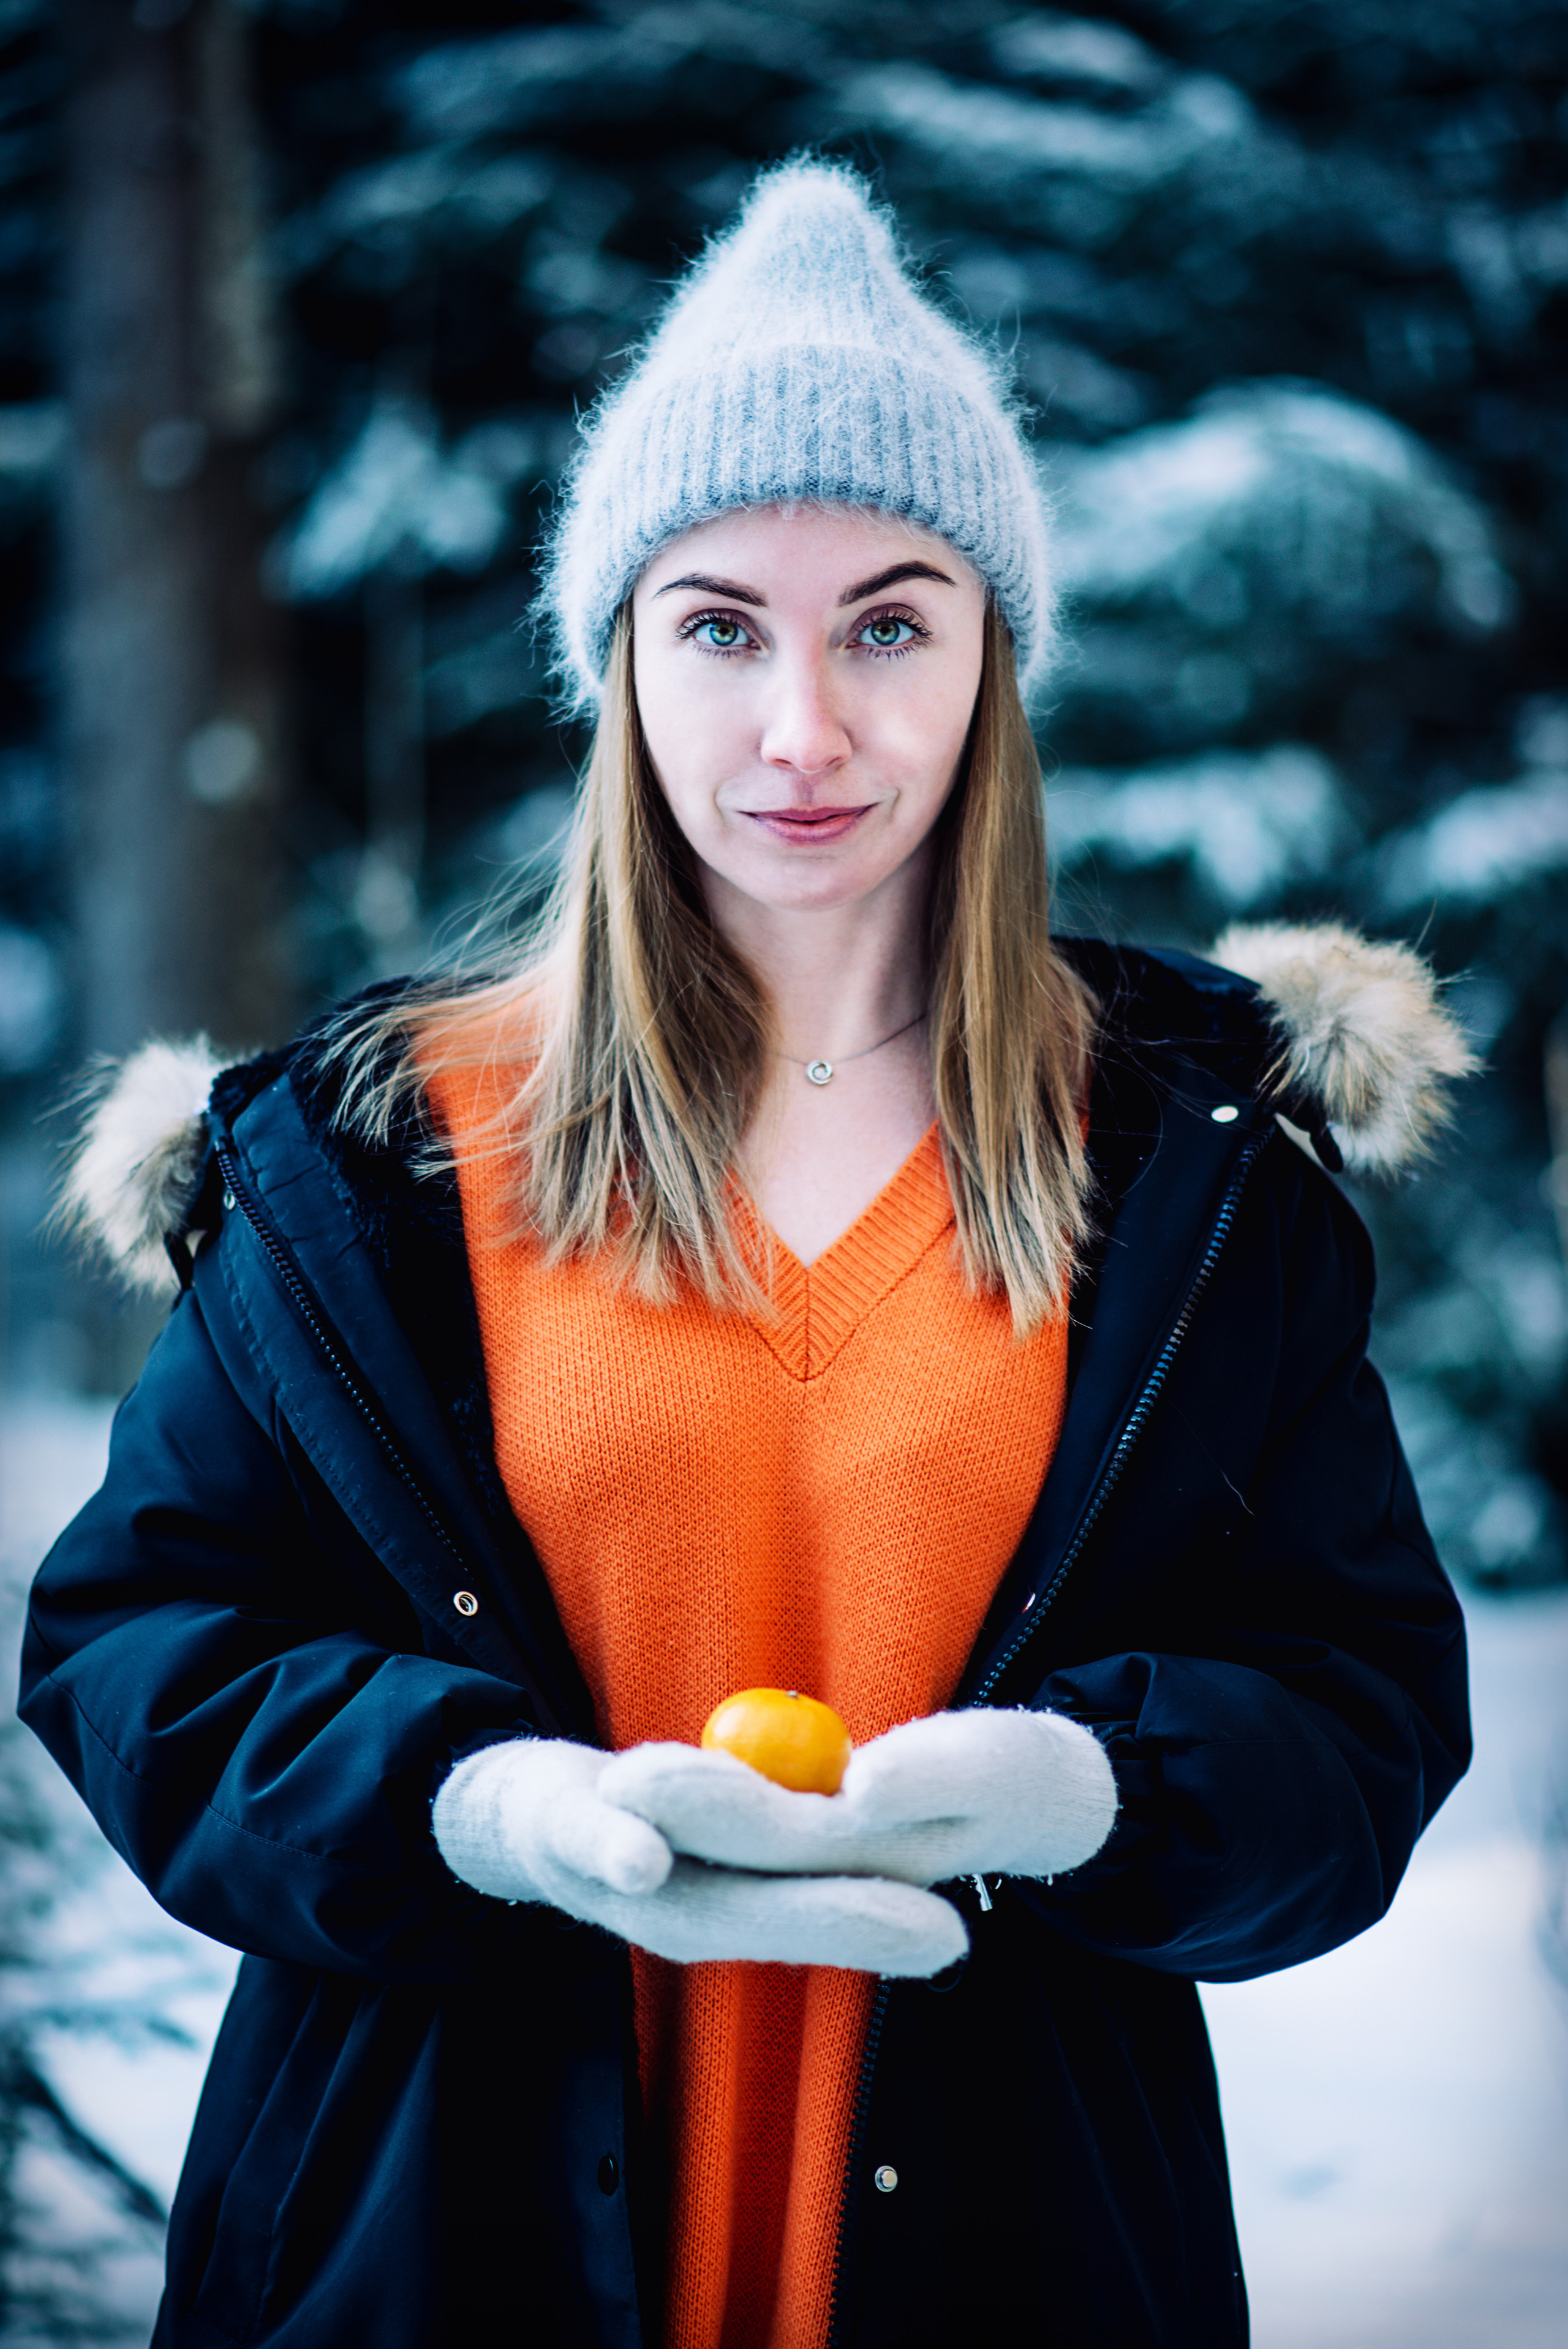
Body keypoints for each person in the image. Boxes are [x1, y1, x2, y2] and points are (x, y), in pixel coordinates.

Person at [21, 162, 1472, 2349]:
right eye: (721, 623)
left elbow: (1362, 1711)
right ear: (620, 659)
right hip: (428, 2245)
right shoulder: (372, 1160)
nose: (805, 728)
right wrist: (477, 1802)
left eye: (890, 621)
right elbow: (146, 1641)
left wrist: (1098, 1786)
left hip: (1024, 2247)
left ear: (994, 660)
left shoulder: (1191, 1169)